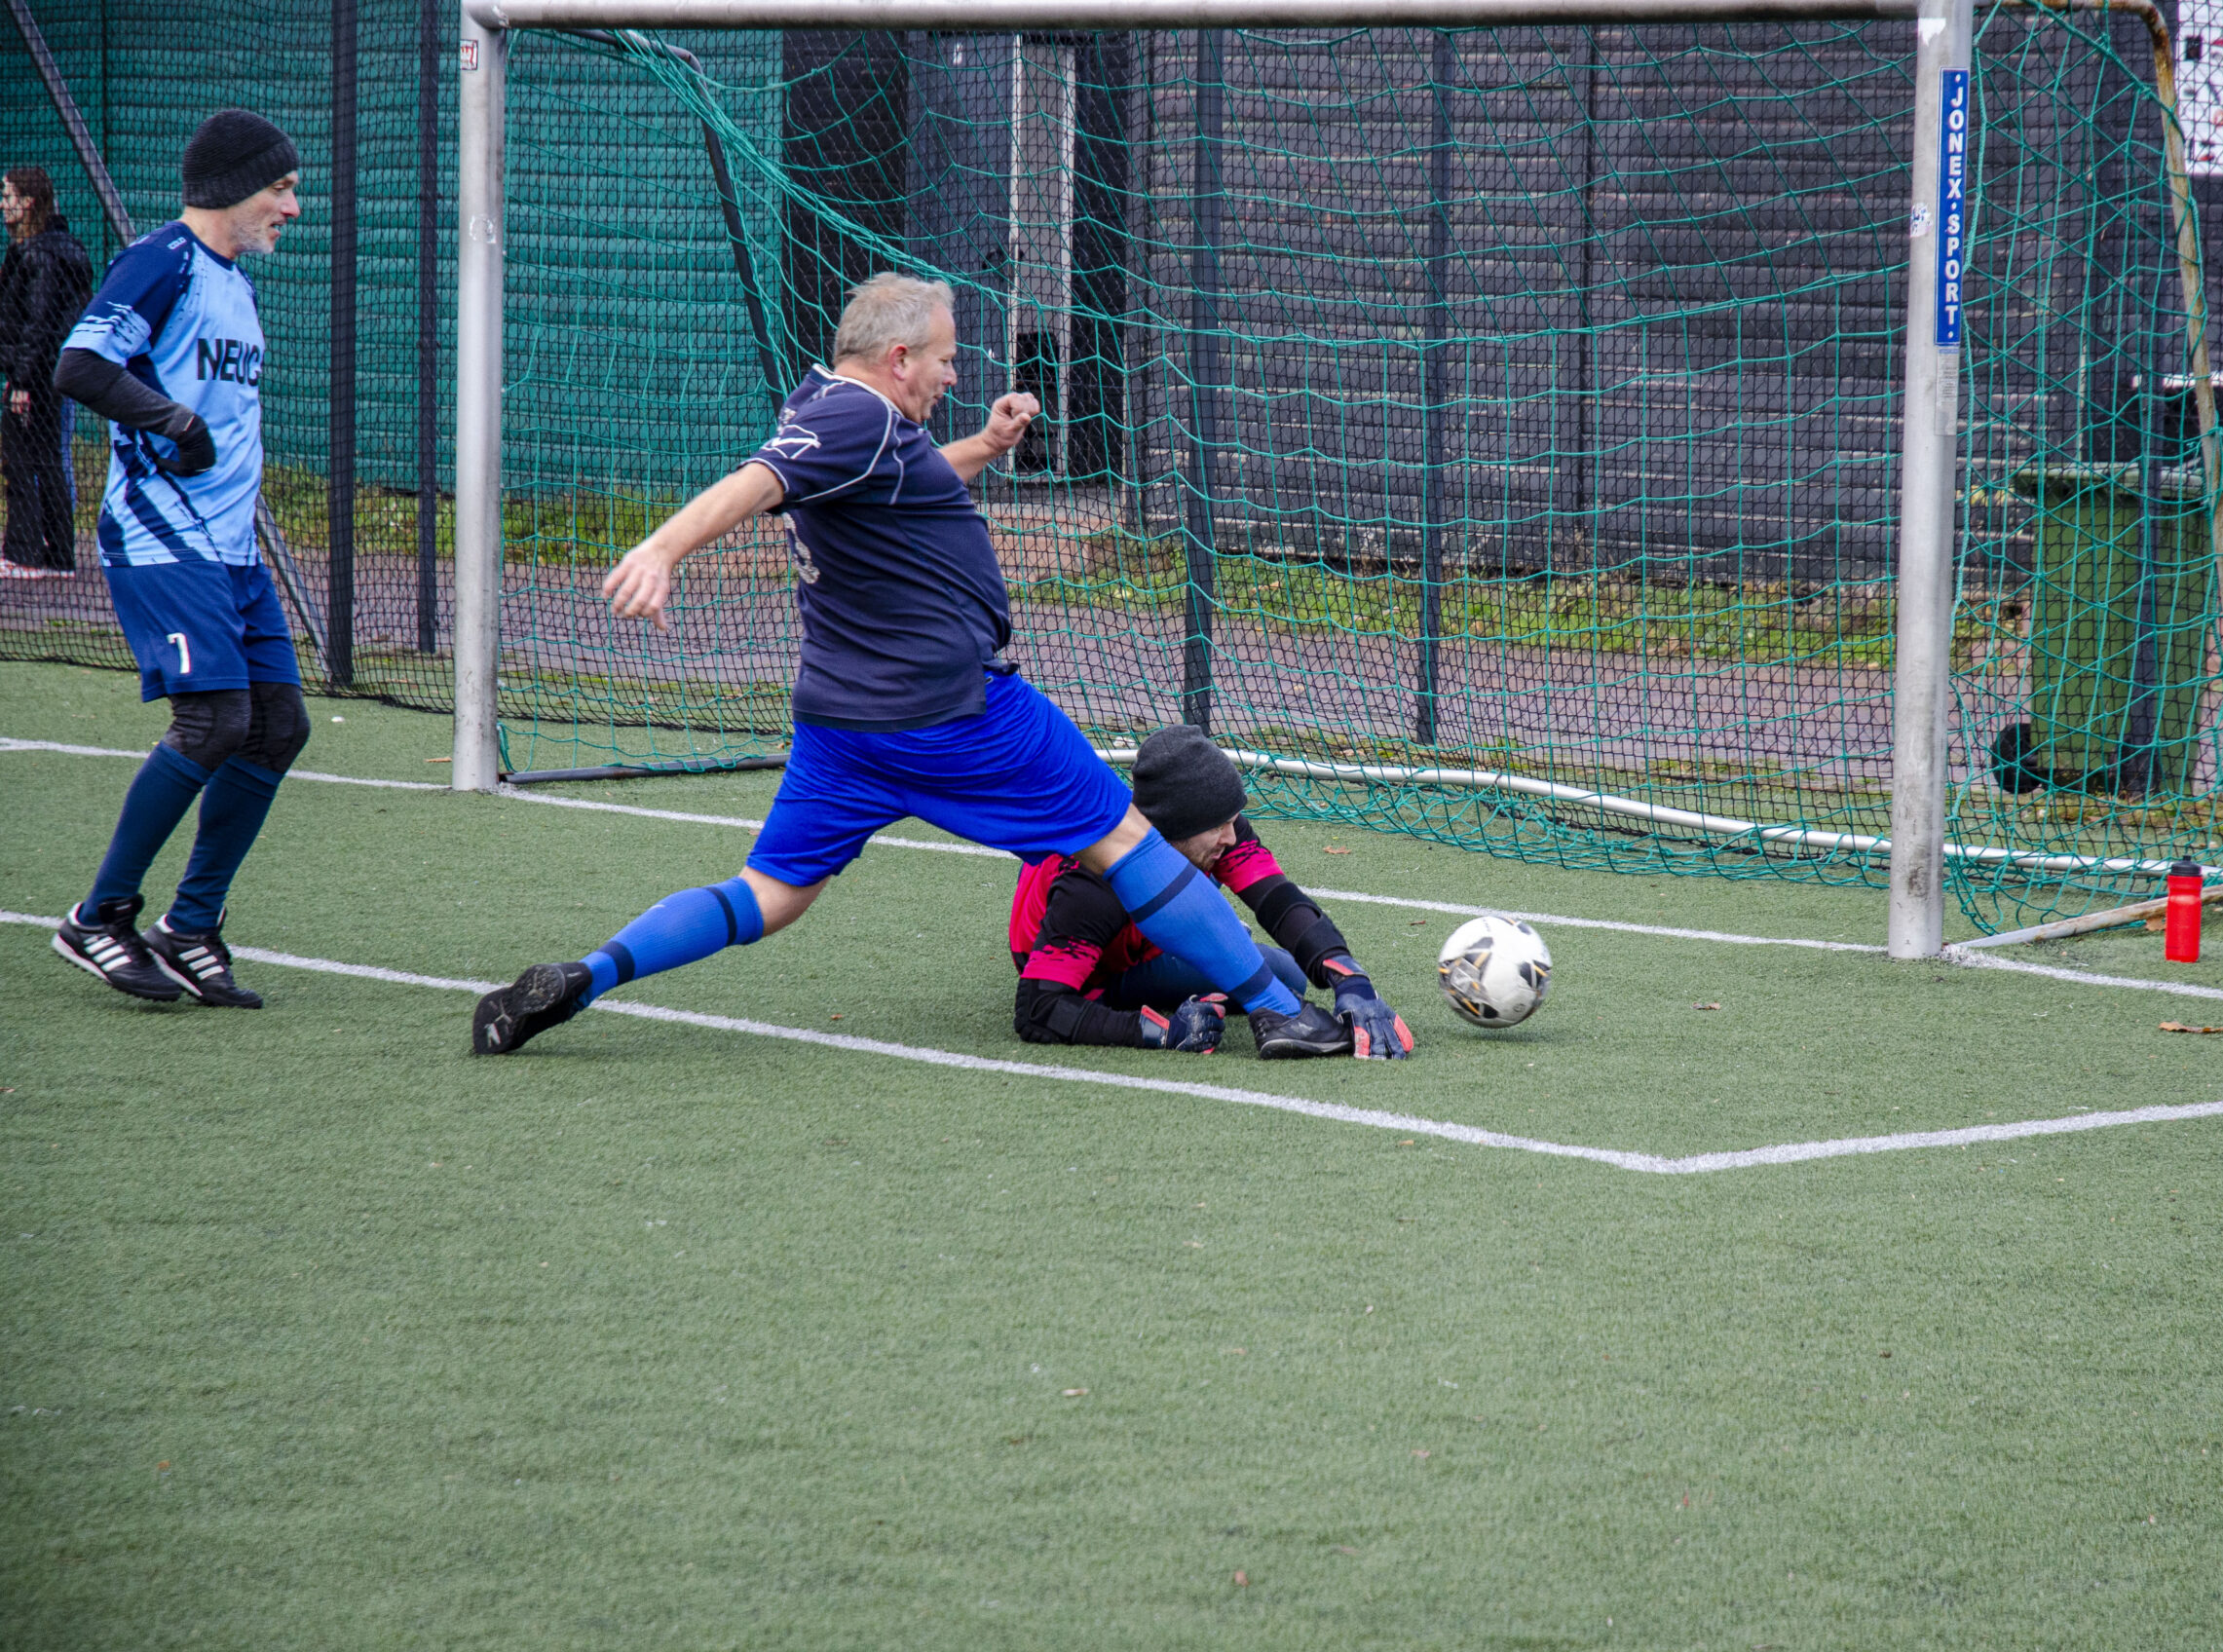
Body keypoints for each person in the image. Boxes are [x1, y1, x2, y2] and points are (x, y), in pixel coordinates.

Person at [471, 274, 1380, 1062]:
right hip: (953, 711)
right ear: (899, 357)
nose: (953, 374)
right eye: (945, 359)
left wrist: (985, 445)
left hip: (842, 728)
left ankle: (585, 977)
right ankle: (1280, 1012)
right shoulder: (853, 415)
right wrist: (663, 548)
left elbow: (900, 489)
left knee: (768, 895)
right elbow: (758, 480)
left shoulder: (839, 411)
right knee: (1124, 839)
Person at [48, 112, 309, 1008]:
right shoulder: (163, 260)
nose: (292, 207)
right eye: (280, 188)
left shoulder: (236, 283)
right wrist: (173, 421)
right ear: (232, 186)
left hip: (230, 549)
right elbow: (80, 365)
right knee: (213, 724)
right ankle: (97, 918)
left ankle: (190, 927)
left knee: (277, 727)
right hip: (162, 536)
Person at [1011, 725, 1413, 1058]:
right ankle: (1206, 936)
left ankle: (1207, 932)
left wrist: (1350, 978)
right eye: (1218, 826)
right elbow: (1039, 1008)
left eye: (1233, 820)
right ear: (1174, 828)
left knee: (1287, 975)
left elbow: (1277, 899)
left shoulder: (1211, 826)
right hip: (1089, 967)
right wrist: (1162, 1032)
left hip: (1137, 942)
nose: (1231, 836)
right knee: (1094, 998)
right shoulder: (1093, 879)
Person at [0, 166, 91, 577]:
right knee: (49, 460)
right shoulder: (57, 249)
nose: (3, 204)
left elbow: (39, 324)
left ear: (28, 201)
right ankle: (58, 556)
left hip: (37, 378)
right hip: (52, 374)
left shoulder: (39, 254)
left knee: (23, 462)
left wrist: (22, 382)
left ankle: (25, 555)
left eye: (8, 196)